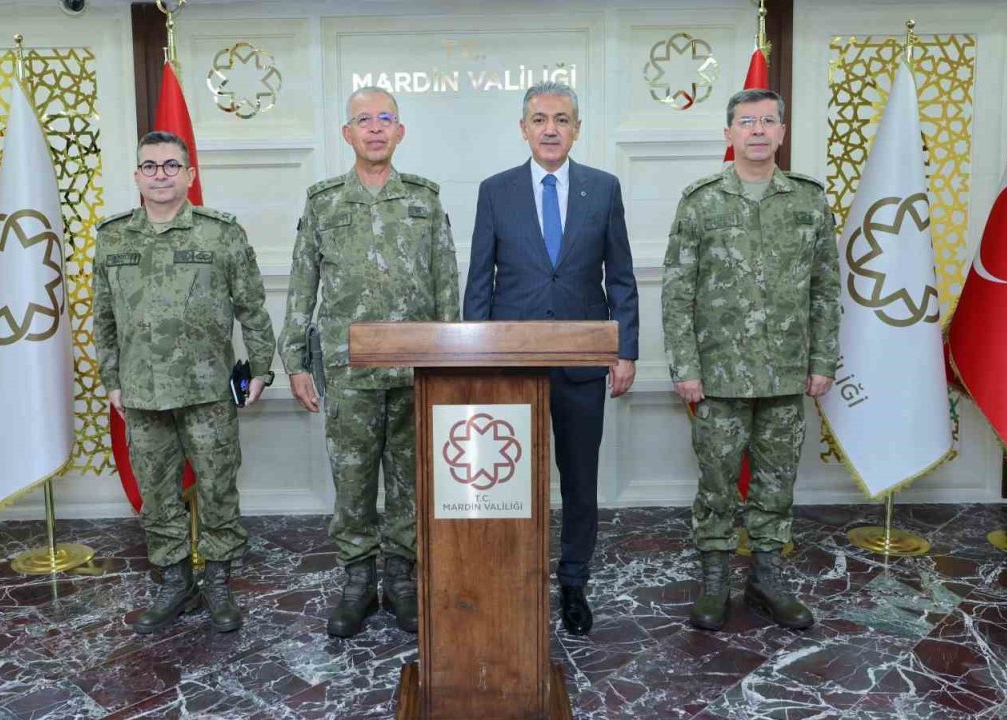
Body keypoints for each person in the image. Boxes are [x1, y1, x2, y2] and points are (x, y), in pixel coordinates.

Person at [279, 87, 461, 638]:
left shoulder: (425, 200)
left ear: (400, 132)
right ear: (348, 134)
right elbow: (301, 286)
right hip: (348, 369)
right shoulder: (323, 202)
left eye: (386, 119)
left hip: (415, 371)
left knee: (409, 480)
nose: (376, 128)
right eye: (364, 119)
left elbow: (446, 287)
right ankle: (358, 582)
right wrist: (295, 362)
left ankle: (401, 579)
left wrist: (451, 361)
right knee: (353, 480)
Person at [462, 81, 638, 636]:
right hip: (511, 369)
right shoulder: (496, 191)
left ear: (577, 128)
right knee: (512, 481)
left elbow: (622, 277)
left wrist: (624, 349)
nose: (550, 129)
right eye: (539, 119)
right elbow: (478, 283)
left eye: (562, 119)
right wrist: (474, 357)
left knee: (579, 481)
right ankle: (515, 576)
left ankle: (573, 581)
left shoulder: (603, 189)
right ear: (523, 128)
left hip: (583, 365)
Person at [661, 88, 839, 632]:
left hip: (786, 372)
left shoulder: (809, 201)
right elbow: (676, 291)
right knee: (716, 481)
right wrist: (685, 367)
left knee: (777, 481)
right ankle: (715, 577)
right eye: (746, 122)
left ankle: (766, 576)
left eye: (767, 121)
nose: (757, 131)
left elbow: (826, 288)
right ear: (729, 134)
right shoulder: (701, 201)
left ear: (782, 133)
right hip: (718, 375)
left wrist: (823, 359)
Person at [93, 130, 276, 635]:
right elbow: (103, 316)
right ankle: (175, 582)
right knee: (158, 494)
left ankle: (217, 582)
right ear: (136, 176)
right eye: (149, 166)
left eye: (171, 166)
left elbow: (252, 307)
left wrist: (260, 367)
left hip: (208, 390)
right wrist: (111, 379)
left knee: (218, 489)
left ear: (190, 175)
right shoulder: (113, 237)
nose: (160, 175)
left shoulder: (220, 234)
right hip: (142, 392)